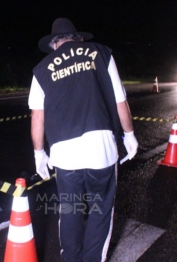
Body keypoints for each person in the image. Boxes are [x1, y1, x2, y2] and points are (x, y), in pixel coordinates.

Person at [29, 18, 139, 262]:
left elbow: (37, 116)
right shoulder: (101, 54)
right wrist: (129, 135)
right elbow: (120, 99)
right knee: (100, 214)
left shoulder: (42, 69)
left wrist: (39, 154)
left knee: (70, 212)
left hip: (65, 157)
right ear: (77, 38)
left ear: (54, 44)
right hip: (101, 150)